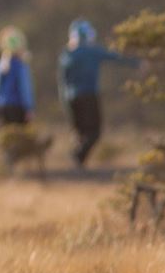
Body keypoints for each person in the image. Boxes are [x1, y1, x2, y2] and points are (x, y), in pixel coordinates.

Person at [57, 19, 136, 168]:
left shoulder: (67, 54)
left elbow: (62, 82)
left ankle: (79, 164)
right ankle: (77, 157)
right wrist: (137, 62)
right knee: (94, 132)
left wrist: (65, 101)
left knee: (81, 133)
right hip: (88, 96)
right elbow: (115, 57)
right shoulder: (92, 51)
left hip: (71, 98)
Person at [0, 26, 35, 127]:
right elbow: (24, 88)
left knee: (6, 134)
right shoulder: (20, 66)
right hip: (18, 108)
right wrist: (28, 108)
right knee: (19, 135)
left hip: (2, 108)